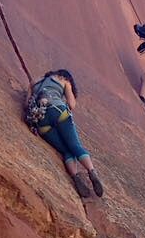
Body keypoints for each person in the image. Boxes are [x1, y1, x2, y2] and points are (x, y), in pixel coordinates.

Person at [26, 69, 104, 199]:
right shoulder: (64, 80)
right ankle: (92, 172)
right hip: (58, 111)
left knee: (66, 151)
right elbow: (72, 104)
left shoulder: (34, 82)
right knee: (74, 145)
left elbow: (26, 104)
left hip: (41, 122)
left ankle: (76, 177)